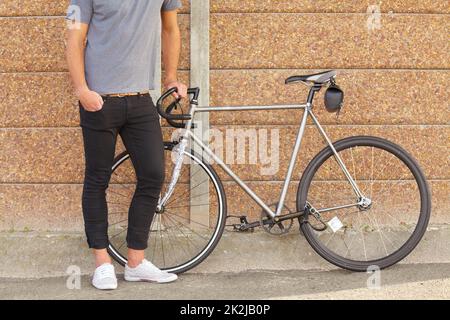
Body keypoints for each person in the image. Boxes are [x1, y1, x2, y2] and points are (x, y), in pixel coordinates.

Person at [65, 0, 187, 290]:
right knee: (97, 178)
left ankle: (135, 262)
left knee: (153, 175)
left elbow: (170, 29)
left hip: (141, 99)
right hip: (99, 101)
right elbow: (74, 37)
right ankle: (102, 262)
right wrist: (82, 90)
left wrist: (170, 77)